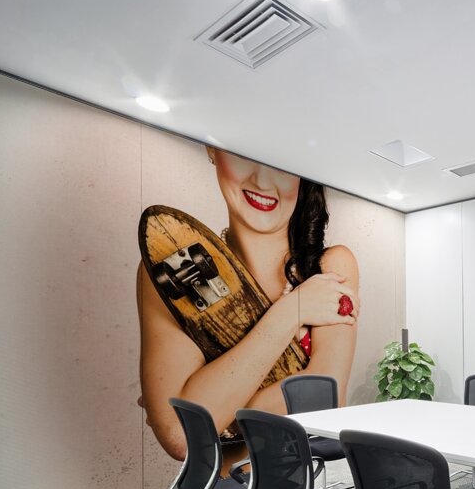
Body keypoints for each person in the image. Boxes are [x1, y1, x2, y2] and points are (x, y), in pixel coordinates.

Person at [137, 147, 359, 461]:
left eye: (282, 164)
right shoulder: (175, 266)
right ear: (213, 150)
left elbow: (328, 403)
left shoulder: (331, 267)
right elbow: (181, 438)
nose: (263, 181)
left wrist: (219, 414)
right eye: (243, 152)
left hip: (307, 479)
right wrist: (291, 312)